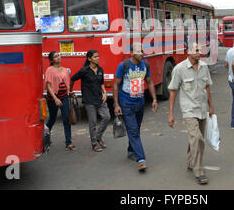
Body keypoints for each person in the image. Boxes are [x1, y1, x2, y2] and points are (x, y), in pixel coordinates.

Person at [168, 42, 214, 185]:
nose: (199, 52)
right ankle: (198, 170)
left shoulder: (204, 67)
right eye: (196, 50)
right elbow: (173, 91)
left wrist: (211, 106)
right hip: (188, 110)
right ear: (188, 52)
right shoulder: (179, 69)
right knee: (197, 138)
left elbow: (207, 87)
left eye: (200, 50)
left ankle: (190, 161)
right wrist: (170, 114)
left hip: (202, 108)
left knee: (195, 138)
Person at [113, 42, 158, 172]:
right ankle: (141, 159)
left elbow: (149, 82)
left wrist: (154, 99)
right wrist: (116, 104)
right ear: (132, 53)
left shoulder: (146, 65)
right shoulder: (124, 65)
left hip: (140, 102)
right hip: (126, 103)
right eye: (139, 51)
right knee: (133, 131)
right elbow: (116, 84)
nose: (142, 54)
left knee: (136, 130)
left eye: (142, 51)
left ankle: (130, 151)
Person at [70, 50, 110, 152]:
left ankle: (98, 136)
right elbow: (73, 79)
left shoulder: (100, 69)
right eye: (95, 57)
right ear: (89, 59)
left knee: (107, 117)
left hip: (99, 98)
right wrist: (70, 91)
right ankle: (94, 144)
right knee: (93, 122)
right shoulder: (84, 71)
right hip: (89, 100)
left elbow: (101, 83)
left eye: (98, 56)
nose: (98, 58)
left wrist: (105, 93)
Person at [45, 51, 76, 151]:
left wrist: (70, 93)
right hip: (52, 98)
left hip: (64, 97)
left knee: (66, 119)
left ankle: (69, 143)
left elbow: (66, 84)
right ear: (51, 60)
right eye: (55, 56)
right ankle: (45, 138)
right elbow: (48, 86)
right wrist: (55, 99)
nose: (58, 57)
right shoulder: (49, 70)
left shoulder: (65, 70)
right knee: (52, 120)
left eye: (58, 55)